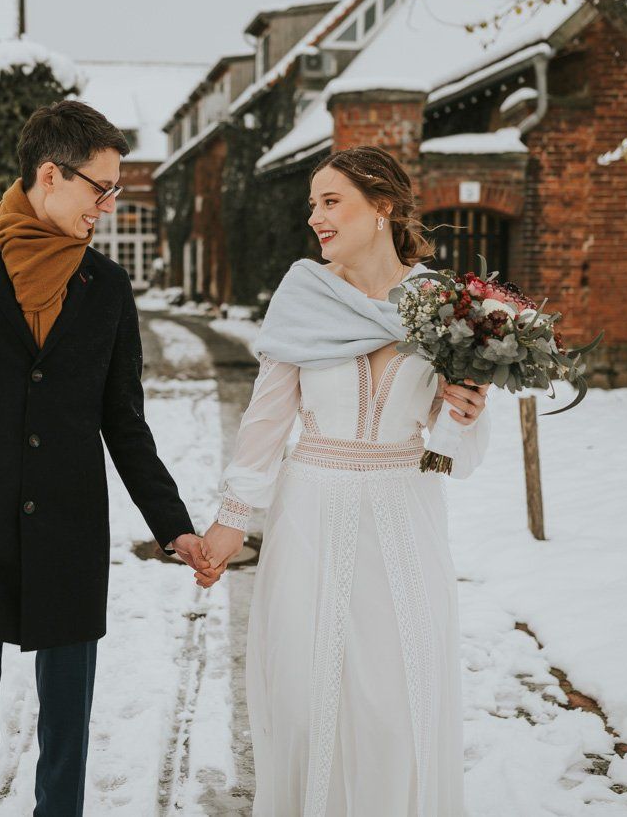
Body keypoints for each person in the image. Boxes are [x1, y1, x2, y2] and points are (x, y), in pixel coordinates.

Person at [0, 100, 220, 817]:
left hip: (69, 535)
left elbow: (124, 424)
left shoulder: (108, 289)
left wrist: (174, 525)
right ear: (51, 175)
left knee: (66, 735)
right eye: (102, 188)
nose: (110, 205)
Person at [200, 146, 492, 816]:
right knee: (308, 702)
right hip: (313, 517)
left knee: (395, 707)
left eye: (330, 201)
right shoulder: (303, 294)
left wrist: (464, 414)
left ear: (381, 205)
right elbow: (266, 423)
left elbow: (456, 458)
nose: (316, 218)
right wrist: (230, 521)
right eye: (313, 205)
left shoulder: (442, 304)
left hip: (405, 517)